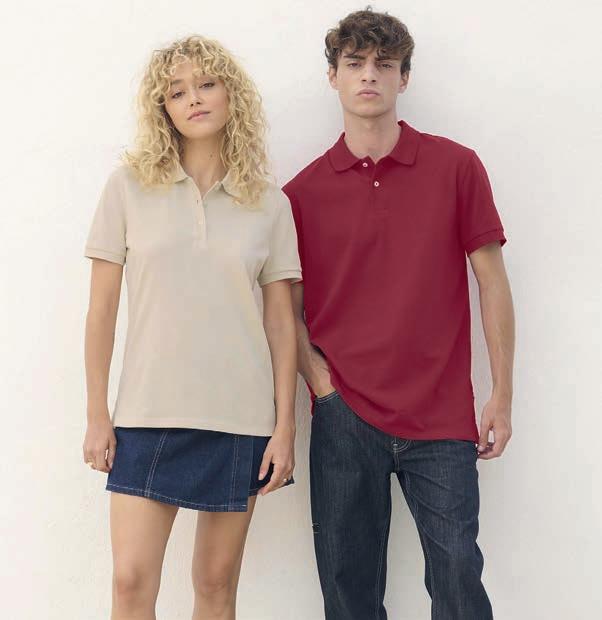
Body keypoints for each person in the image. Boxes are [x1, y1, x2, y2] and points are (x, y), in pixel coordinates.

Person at [283, 8, 515, 619]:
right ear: (333, 76)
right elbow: (283, 311)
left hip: (440, 412)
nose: (369, 75)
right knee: (348, 591)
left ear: (404, 78)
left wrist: (501, 393)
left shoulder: (456, 167)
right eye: (355, 63)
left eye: (384, 64)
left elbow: (492, 282)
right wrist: (321, 382)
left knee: (458, 577)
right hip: (344, 416)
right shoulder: (300, 195)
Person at [82, 35, 301, 620]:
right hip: (146, 413)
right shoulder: (127, 187)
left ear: (232, 95)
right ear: (164, 108)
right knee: (130, 581)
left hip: (239, 417)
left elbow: (282, 323)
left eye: (206, 84)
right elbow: (101, 310)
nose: (194, 99)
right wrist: (98, 414)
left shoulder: (269, 203)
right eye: (177, 92)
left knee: (215, 584)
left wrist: (284, 426)